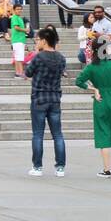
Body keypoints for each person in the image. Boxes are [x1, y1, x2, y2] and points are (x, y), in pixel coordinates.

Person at [75, 40, 111, 177]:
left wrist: (94, 89)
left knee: (103, 134)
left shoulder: (91, 67)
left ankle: (106, 169)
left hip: (101, 101)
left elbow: (79, 81)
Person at [25, 25, 68, 177]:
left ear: (44, 41)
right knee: (58, 134)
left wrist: (36, 54)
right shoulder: (61, 58)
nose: (37, 42)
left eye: (38, 40)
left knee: (38, 134)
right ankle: (60, 167)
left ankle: (37, 167)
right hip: (55, 98)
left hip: (39, 98)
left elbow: (28, 72)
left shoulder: (38, 57)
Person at [10, 3, 29, 77]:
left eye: (20, 9)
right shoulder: (15, 17)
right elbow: (16, 27)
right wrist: (25, 30)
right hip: (17, 40)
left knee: (18, 57)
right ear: (14, 10)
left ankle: (18, 73)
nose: (19, 10)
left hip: (20, 40)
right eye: (17, 9)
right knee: (19, 57)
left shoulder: (19, 18)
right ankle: (20, 73)